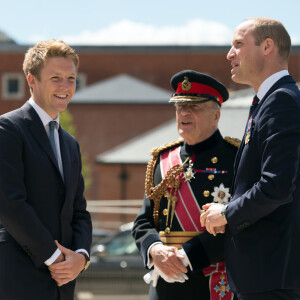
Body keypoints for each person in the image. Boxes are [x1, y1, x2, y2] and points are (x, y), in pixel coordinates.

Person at [200, 18, 300, 300]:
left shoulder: (281, 101)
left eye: (238, 44)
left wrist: (227, 213)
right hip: (266, 273)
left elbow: (277, 186)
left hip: (272, 275)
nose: (230, 54)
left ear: (267, 46)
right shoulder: (269, 102)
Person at [132, 70, 239, 300]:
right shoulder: (162, 160)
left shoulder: (236, 159)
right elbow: (143, 222)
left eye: (195, 107)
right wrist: (155, 250)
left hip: (213, 281)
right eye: (180, 107)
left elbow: (240, 223)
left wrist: (186, 257)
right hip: (165, 283)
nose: (184, 113)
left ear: (216, 115)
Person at [0, 40, 92, 300]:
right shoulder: (7, 130)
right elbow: (10, 204)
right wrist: (55, 258)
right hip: (19, 280)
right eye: (56, 78)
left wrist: (81, 258)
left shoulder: (70, 144)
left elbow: (79, 210)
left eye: (71, 78)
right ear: (32, 80)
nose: (65, 87)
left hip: (64, 284)